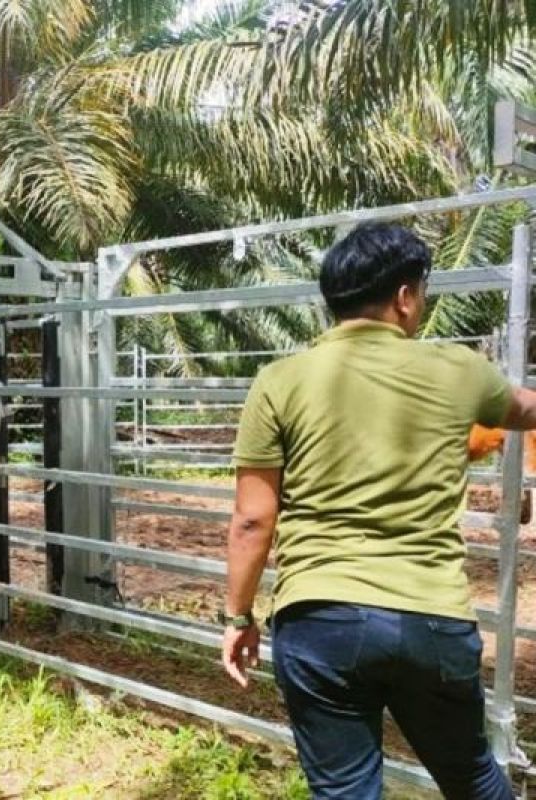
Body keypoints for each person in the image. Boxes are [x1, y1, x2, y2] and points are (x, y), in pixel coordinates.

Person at [221, 223, 533, 799]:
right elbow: (523, 408)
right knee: (473, 780)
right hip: (431, 620)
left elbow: (252, 520)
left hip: (320, 619)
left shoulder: (278, 382)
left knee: (345, 792)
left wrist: (238, 618)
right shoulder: (459, 370)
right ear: (405, 297)